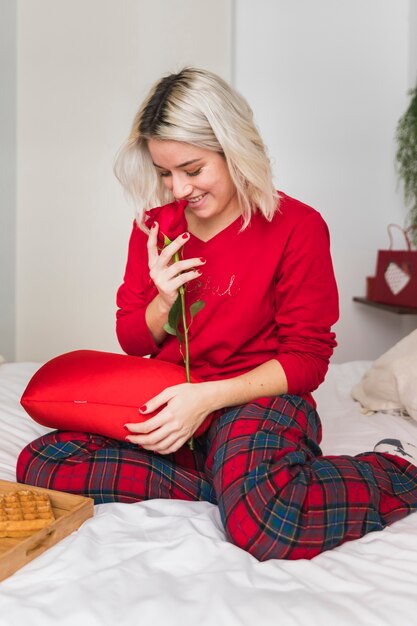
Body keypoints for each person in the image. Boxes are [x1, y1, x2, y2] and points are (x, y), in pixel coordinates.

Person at [16, 68, 417, 560]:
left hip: (255, 399)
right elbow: (132, 341)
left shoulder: (298, 227)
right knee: (43, 462)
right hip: (173, 403)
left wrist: (205, 399)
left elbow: (308, 360)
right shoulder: (153, 227)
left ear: (234, 148)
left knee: (270, 528)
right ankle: (228, 487)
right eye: (164, 173)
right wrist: (162, 302)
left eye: (192, 169)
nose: (178, 189)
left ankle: (392, 472)